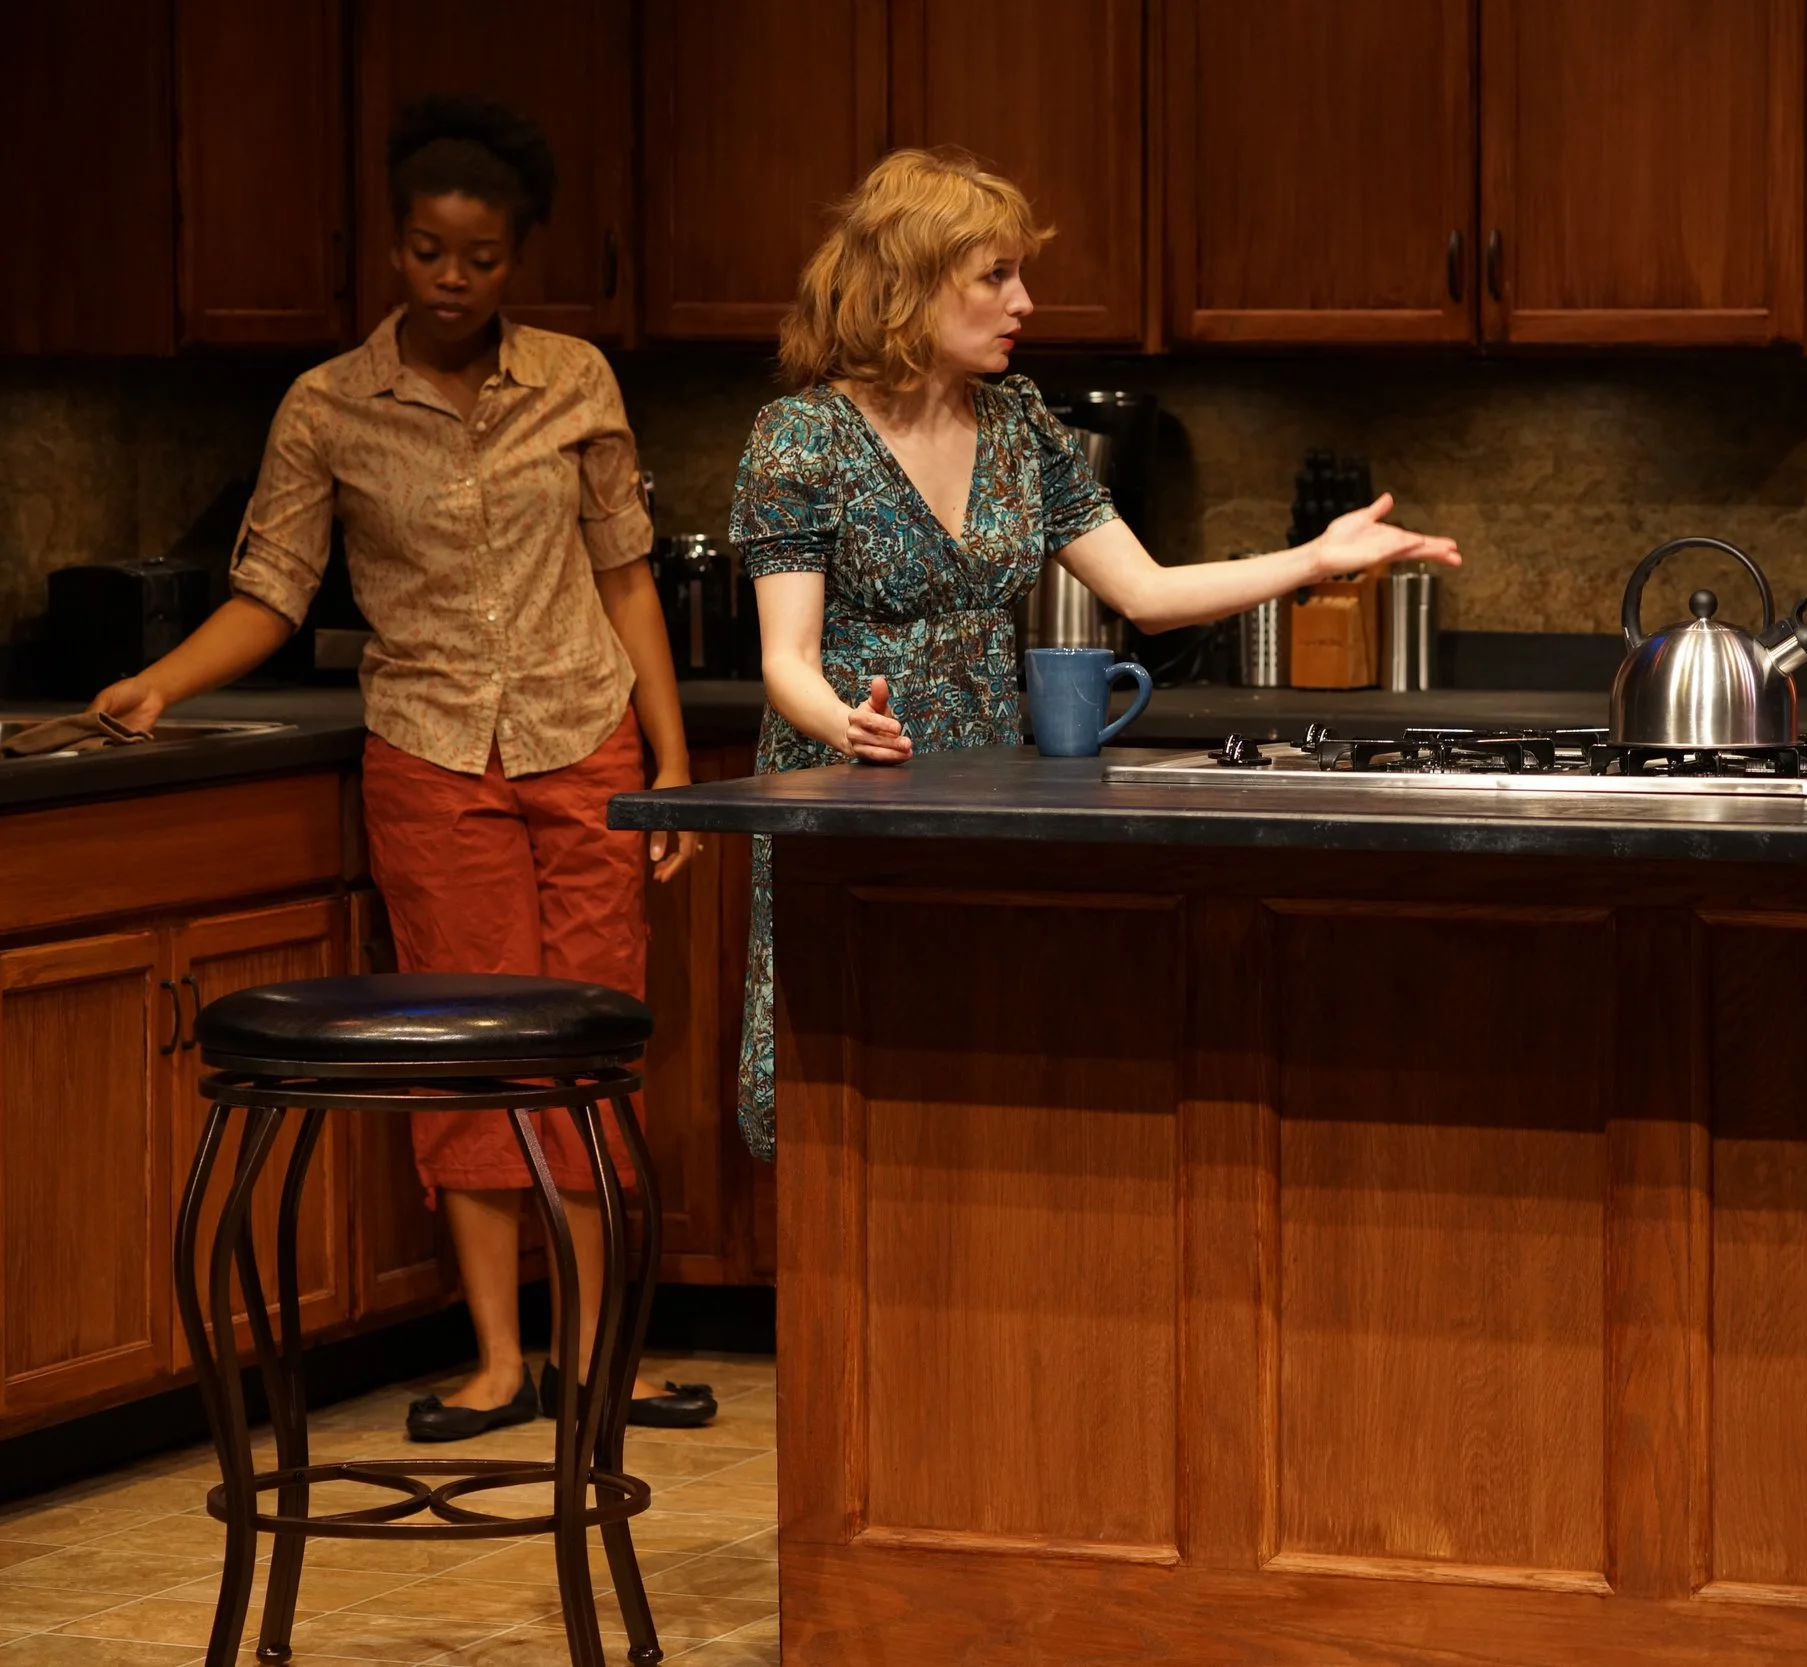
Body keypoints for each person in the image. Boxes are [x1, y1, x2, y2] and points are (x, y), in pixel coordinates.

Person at [90, 96, 715, 1438]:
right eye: (429, 251)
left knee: (592, 1048)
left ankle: (600, 1357)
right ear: (393, 247)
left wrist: (667, 757)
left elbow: (625, 574)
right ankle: (495, 1359)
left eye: (479, 257)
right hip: (433, 759)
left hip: (582, 738)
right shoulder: (327, 406)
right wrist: (161, 682)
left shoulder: (575, 380)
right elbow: (271, 591)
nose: (451, 278)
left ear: (516, 258)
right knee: (470, 1055)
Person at [730, 148, 1460, 1157]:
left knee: (978, 1073)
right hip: (846, 795)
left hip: (984, 786)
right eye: (995, 275)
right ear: (909, 284)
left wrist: (1313, 559)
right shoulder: (802, 436)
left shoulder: (1020, 423)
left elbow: (1145, 593)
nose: (1023, 301)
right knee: (845, 1088)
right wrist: (846, 724)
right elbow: (788, 658)